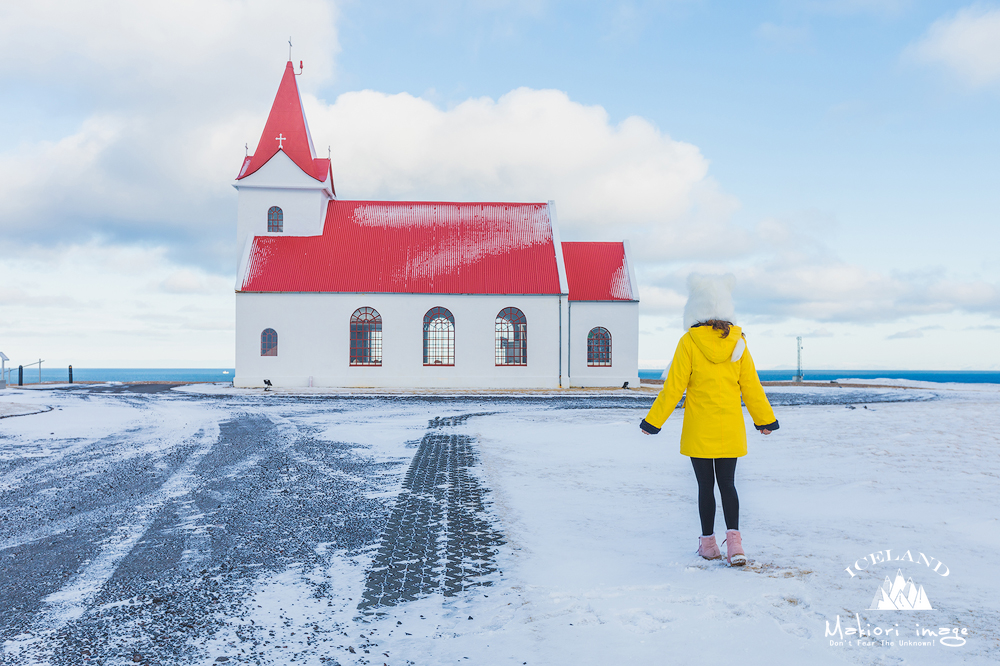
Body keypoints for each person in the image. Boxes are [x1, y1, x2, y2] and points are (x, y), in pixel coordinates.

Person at [639, 273, 778, 566]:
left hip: (699, 429)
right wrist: (764, 420)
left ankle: (709, 546)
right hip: (730, 428)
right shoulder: (738, 341)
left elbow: (674, 387)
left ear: (695, 309)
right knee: (728, 484)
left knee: (705, 487)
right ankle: (736, 547)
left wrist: (654, 422)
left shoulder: (689, 341)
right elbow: (751, 386)